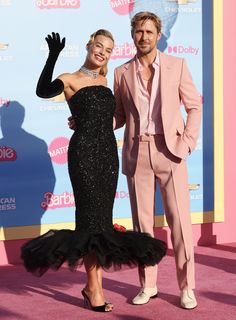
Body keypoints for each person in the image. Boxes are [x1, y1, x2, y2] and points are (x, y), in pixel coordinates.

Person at [21, 30, 167, 313]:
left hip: (108, 156)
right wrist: (53, 56)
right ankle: (95, 289)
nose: (103, 52)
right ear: (88, 46)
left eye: (109, 49)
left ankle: (91, 287)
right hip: (84, 156)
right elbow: (42, 90)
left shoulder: (105, 80)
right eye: (99, 46)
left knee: (101, 223)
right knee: (89, 223)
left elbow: (111, 118)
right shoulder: (70, 79)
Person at [113, 12, 202, 309]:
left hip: (170, 152)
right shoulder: (121, 72)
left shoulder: (177, 66)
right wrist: (92, 120)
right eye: (139, 31)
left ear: (159, 34)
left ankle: (187, 287)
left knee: (180, 224)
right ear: (133, 34)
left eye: (149, 31)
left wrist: (187, 143)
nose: (144, 37)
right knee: (142, 226)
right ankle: (148, 284)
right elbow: (119, 117)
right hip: (137, 154)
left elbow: (194, 106)